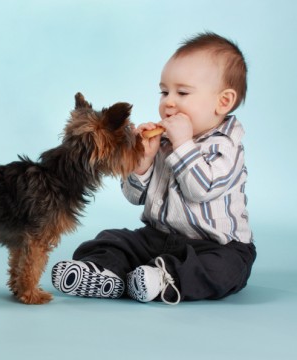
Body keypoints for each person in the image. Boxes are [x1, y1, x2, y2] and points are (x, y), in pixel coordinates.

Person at [51, 32, 256, 305]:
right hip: (159, 237)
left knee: (224, 269)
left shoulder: (225, 145)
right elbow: (136, 198)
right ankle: (105, 272)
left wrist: (183, 144)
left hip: (216, 245)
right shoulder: (164, 142)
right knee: (111, 239)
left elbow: (201, 190)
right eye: (164, 91)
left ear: (223, 102)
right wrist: (143, 162)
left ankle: (163, 279)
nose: (169, 102)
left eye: (182, 92)